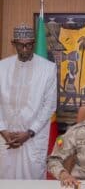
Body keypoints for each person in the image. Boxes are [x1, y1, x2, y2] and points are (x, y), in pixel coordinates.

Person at [0, 24, 57, 179]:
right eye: (21, 45)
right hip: (5, 137)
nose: (25, 49)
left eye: (29, 45)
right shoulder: (2, 67)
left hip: (33, 138)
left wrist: (29, 132)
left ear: (34, 44)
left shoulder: (48, 68)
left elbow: (49, 105)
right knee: (5, 178)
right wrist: (3, 131)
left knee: (32, 178)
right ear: (14, 44)